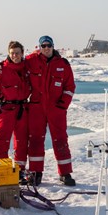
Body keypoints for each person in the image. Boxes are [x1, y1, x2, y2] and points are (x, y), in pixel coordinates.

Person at [26, 35, 76, 186]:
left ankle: (65, 173)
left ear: (53, 46)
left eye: (49, 46)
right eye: (43, 46)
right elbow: (14, 64)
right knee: (35, 139)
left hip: (56, 109)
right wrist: (1, 66)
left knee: (60, 139)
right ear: (39, 47)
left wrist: (63, 105)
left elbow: (70, 86)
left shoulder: (63, 64)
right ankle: (36, 173)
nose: (46, 48)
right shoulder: (30, 61)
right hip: (36, 108)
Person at [0, 41, 30, 184]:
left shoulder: (27, 68)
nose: (15, 56)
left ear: (22, 53)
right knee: (0, 140)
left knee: (22, 141)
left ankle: (20, 171)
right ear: (8, 54)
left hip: (23, 109)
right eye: (12, 53)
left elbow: (40, 56)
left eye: (17, 53)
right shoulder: (2, 70)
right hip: (6, 110)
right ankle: (0, 170)